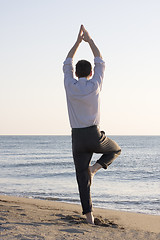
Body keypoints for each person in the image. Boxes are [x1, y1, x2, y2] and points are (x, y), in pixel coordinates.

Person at [63, 25, 121, 224]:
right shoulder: (95, 84)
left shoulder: (69, 85)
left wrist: (77, 42)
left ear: (76, 73)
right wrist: (89, 40)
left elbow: (67, 62)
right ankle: (95, 169)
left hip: (77, 138)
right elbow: (100, 61)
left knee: (81, 179)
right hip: (94, 135)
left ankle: (89, 218)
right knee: (115, 150)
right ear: (90, 73)